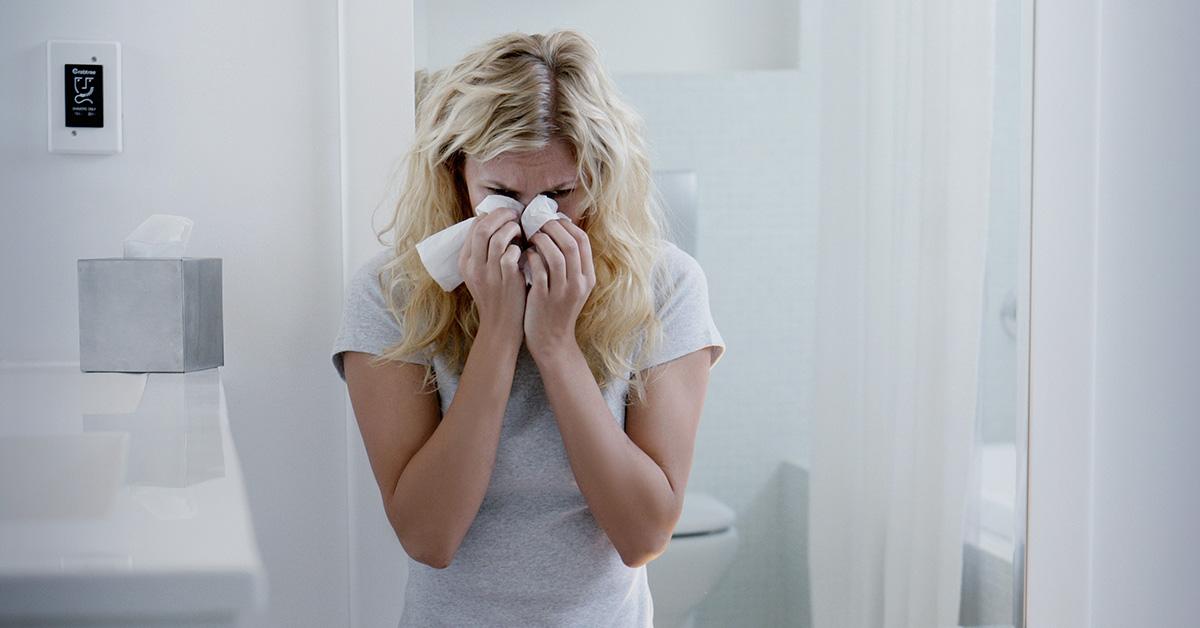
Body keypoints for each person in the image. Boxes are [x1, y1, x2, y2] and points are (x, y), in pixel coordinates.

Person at [330, 28, 726, 628]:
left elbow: (643, 534)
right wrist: (497, 336)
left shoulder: (666, 286)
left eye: (560, 194)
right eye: (501, 193)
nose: (533, 220)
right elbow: (428, 536)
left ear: (598, 176)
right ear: (456, 174)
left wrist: (556, 347)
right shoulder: (390, 294)